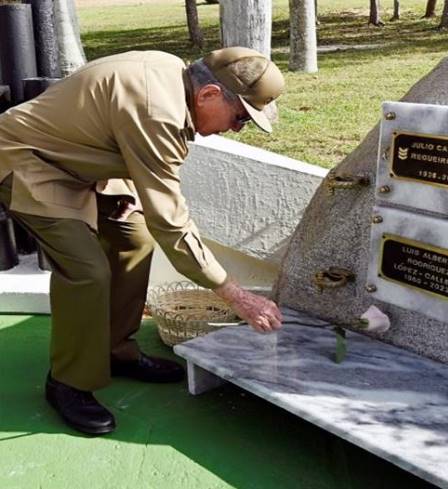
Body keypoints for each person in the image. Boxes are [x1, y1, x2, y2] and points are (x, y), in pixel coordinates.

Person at [0, 46, 285, 435]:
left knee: (135, 238)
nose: (237, 128)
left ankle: (116, 350)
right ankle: (69, 382)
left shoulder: (175, 74)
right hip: (27, 159)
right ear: (209, 95)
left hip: (80, 157)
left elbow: (117, 133)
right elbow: (171, 220)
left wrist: (127, 188)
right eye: (240, 118)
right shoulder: (159, 111)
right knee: (87, 271)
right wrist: (233, 294)